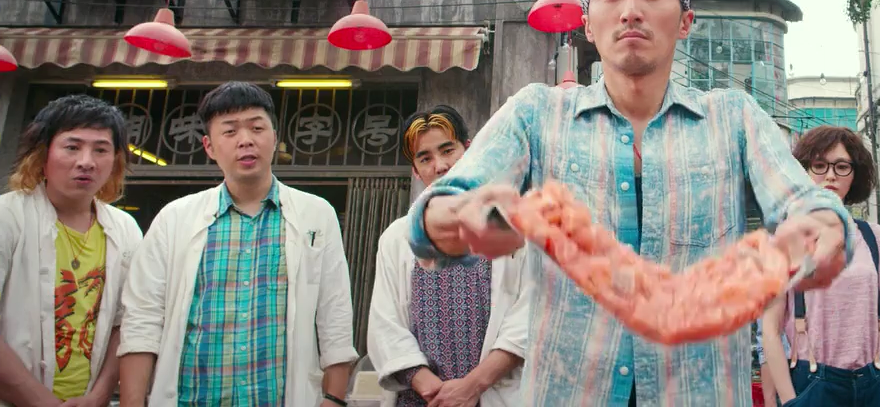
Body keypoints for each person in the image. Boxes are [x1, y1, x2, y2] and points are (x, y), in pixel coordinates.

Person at [402, 0, 853, 406]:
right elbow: (442, 207)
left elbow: (801, 201)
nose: (631, 11)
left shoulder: (734, 118)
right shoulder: (537, 114)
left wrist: (821, 227)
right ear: (587, 24)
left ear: (685, 22)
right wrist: (450, 218)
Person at [117, 81, 357, 407]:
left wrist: (334, 399)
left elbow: (335, 312)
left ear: (274, 137)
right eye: (229, 131)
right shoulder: (174, 219)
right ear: (209, 146)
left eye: (257, 128)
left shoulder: (316, 214)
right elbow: (142, 318)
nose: (246, 140)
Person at [368, 106, 530, 406]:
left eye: (447, 150)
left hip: (492, 394)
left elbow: (527, 316)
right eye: (425, 158)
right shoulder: (397, 237)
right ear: (415, 170)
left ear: (469, 150)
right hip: (423, 398)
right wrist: (431, 388)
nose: (440, 166)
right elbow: (385, 325)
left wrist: (472, 386)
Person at [0, 95, 143, 407]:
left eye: (101, 149)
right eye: (72, 147)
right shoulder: (8, 217)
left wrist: (99, 396)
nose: (86, 161)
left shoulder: (125, 228)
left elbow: (127, 322)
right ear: (42, 154)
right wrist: (42, 402)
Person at [762, 126, 880, 406]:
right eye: (819, 165)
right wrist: (791, 402)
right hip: (811, 381)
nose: (830, 175)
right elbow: (770, 329)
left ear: (855, 174)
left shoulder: (877, 238)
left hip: (876, 379)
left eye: (842, 167)